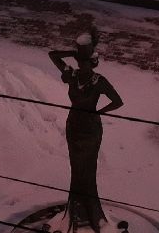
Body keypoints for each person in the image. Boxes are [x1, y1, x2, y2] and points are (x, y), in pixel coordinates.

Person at [49, 32, 124, 231]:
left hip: (90, 128)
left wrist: (99, 111)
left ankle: (91, 209)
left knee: (88, 168)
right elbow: (53, 55)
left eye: (86, 62)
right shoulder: (71, 75)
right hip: (73, 126)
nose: (82, 65)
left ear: (93, 63)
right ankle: (75, 208)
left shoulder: (99, 81)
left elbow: (117, 101)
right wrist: (74, 52)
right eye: (79, 61)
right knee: (76, 166)